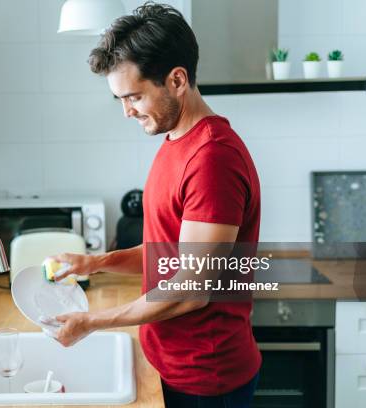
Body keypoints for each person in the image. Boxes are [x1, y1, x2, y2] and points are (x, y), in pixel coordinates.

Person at [49, 3, 261, 407]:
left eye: (134, 96)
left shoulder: (212, 157)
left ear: (177, 80)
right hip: (171, 364)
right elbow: (168, 255)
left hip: (206, 379)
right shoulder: (175, 141)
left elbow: (191, 289)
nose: (127, 111)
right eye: (120, 99)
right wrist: (95, 262)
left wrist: (92, 321)